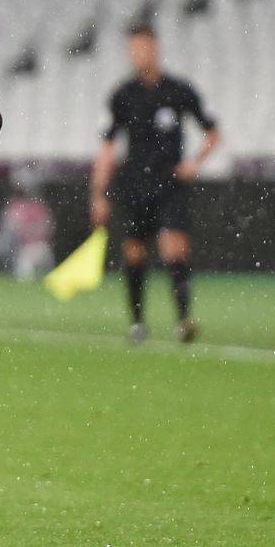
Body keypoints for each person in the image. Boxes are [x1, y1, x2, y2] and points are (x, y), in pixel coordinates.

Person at [89, 23, 220, 344]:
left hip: (170, 183)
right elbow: (107, 146)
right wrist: (98, 192)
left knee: (174, 248)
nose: (137, 55)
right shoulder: (123, 95)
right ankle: (137, 323)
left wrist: (194, 162)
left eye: (143, 48)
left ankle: (184, 320)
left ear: (156, 49)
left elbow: (213, 132)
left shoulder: (178, 91)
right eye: (132, 50)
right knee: (134, 254)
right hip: (134, 184)